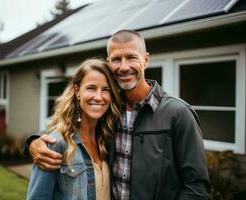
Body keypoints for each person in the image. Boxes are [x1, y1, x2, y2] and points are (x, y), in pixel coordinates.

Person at [24, 30, 211, 200]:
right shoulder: (109, 110)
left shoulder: (178, 114)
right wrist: (34, 141)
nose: (123, 67)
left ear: (146, 60)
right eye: (116, 59)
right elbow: (72, 130)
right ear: (109, 63)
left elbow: (196, 187)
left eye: (131, 57)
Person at [26, 58, 121, 200]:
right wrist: (31, 142)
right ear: (77, 91)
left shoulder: (108, 140)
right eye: (91, 88)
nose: (98, 97)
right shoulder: (56, 145)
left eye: (106, 90)